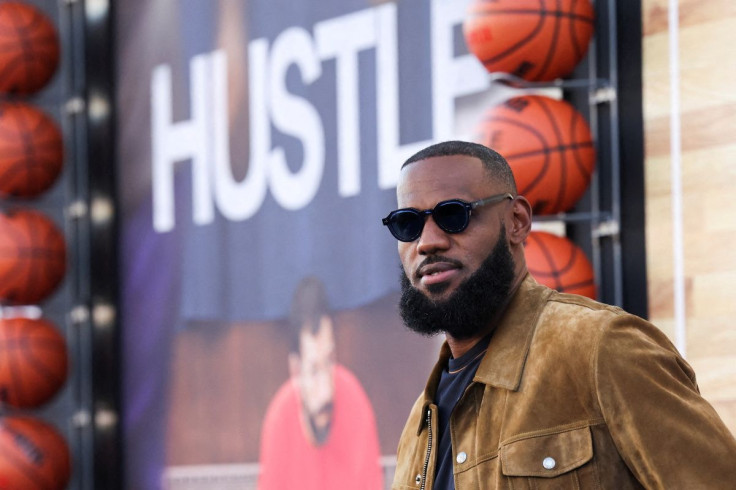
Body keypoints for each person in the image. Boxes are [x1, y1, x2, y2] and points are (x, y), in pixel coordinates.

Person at [383, 140, 736, 489]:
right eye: (407, 224)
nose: (427, 241)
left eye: (453, 215)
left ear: (517, 221)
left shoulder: (601, 346)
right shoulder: (417, 427)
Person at [257, 276, 383, 490]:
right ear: (295, 370)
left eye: (329, 361)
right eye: (314, 370)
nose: (326, 390)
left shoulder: (354, 399)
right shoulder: (279, 418)